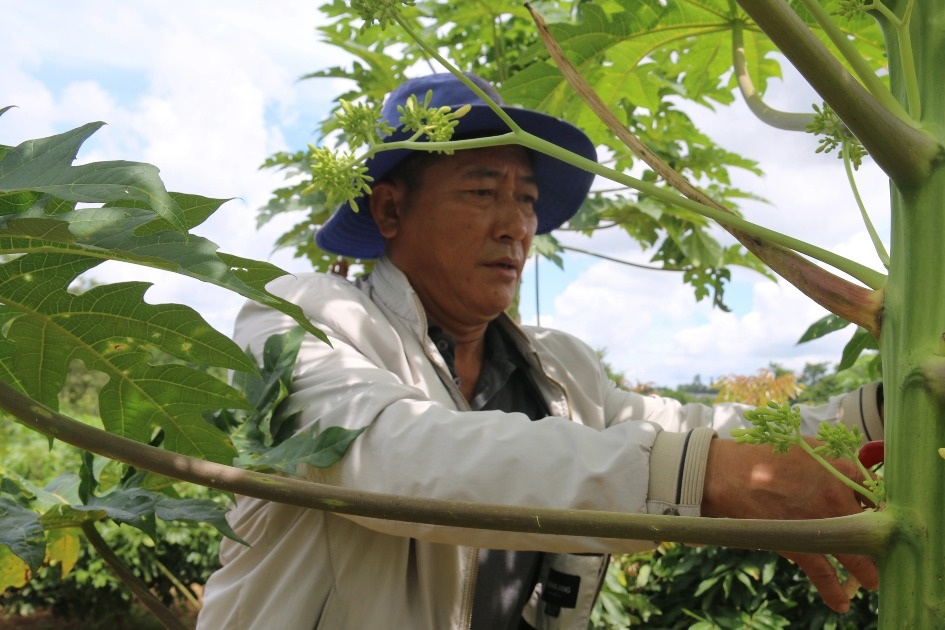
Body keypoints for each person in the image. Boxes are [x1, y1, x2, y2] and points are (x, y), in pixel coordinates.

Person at [197, 73, 883, 630]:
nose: (515, 226)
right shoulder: (303, 315)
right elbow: (393, 457)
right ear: (389, 212)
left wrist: (895, 413)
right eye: (481, 192)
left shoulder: (560, 369)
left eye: (526, 200)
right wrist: (698, 475)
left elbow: (700, 435)